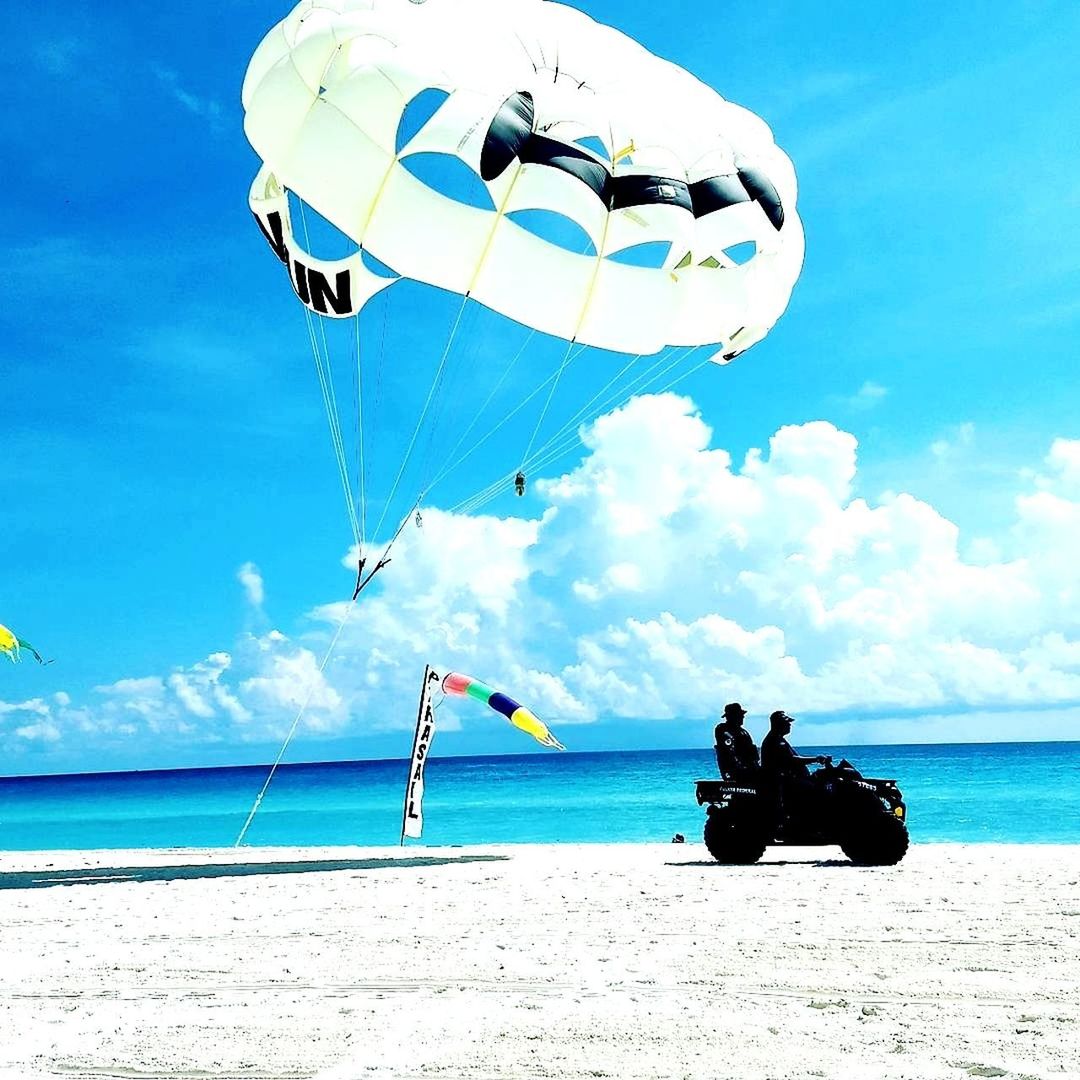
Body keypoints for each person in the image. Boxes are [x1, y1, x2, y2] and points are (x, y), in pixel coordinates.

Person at [760, 710, 830, 817]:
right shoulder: (774, 741)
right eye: (787, 722)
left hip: (790, 779)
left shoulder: (779, 739)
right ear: (778, 724)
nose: (789, 725)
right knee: (817, 790)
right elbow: (792, 760)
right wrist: (816, 759)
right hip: (784, 782)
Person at [713, 702, 760, 783]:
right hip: (735, 772)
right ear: (732, 716)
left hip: (748, 769)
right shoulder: (724, 731)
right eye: (740, 715)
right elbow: (730, 754)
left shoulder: (743, 732)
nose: (743, 717)